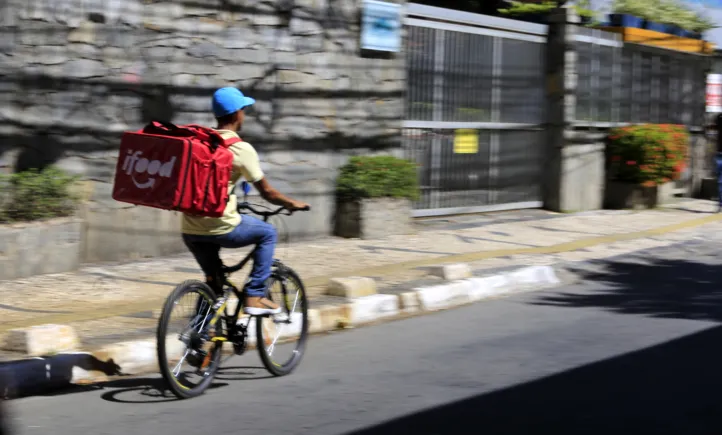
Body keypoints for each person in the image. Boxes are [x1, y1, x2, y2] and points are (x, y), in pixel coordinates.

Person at [182, 87, 310, 315]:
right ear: (237, 114)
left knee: (213, 284)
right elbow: (268, 193)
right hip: (221, 226)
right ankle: (255, 295)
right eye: (243, 109)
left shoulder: (199, 143)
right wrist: (291, 203)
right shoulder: (240, 149)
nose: (244, 114)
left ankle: (201, 339)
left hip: (190, 228)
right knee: (267, 233)